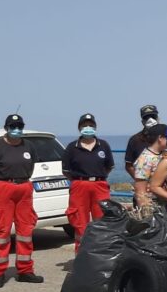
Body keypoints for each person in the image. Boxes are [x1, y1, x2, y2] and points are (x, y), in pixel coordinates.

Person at [0, 114, 43, 287]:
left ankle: (25, 270)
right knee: (1, 232)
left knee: (25, 230)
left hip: (24, 188)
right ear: (6, 128)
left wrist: (21, 181)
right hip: (3, 188)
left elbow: (30, 168)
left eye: (19, 126)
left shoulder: (29, 146)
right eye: (13, 126)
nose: (16, 129)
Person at [62, 113, 114, 251]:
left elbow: (109, 166)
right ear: (79, 128)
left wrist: (97, 178)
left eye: (91, 125)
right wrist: (81, 181)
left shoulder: (103, 145)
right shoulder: (72, 147)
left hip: (100, 185)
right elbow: (66, 170)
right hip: (79, 185)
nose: (88, 128)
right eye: (85, 125)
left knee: (103, 220)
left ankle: (101, 255)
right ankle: (82, 256)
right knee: (80, 222)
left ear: (95, 127)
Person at [132, 123, 167, 213]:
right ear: (160, 138)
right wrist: (145, 211)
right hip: (152, 204)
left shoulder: (163, 154)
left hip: (163, 202)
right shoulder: (145, 159)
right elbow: (140, 189)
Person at [124, 104, 161, 180]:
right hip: (144, 185)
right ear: (142, 121)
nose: (150, 120)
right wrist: (140, 180)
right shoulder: (135, 140)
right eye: (146, 118)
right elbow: (128, 165)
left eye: (153, 117)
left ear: (158, 119)